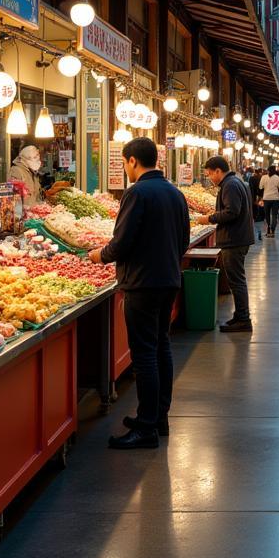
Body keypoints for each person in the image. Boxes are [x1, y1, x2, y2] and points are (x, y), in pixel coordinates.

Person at [90, 138, 190, 450]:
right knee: (161, 347)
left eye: (124, 162)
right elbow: (183, 239)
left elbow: (122, 242)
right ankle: (158, 417)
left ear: (133, 161)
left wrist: (99, 256)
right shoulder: (175, 193)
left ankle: (146, 427)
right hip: (168, 281)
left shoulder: (137, 193)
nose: (125, 168)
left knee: (145, 354)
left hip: (142, 284)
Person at [197, 155, 255, 332]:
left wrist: (209, 218)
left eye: (209, 174)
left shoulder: (230, 185)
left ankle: (243, 319)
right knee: (236, 280)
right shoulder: (234, 182)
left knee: (236, 281)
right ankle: (239, 315)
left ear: (218, 171)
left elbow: (232, 212)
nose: (209, 178)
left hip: (234, 239)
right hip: (238, 237)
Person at [260, 165, 279, 236]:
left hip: (266, 198)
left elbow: (261, 187)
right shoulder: (278, 178)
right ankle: (272, 231)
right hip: (275, 199)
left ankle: (268, 228)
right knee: (274, 215)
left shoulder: (263, 177)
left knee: (267, 214)